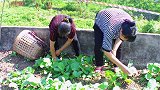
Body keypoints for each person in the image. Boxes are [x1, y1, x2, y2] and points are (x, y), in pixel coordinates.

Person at [93, 8, 137, 75]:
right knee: (99, 45)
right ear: (121, 31)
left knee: (118, 47)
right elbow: (106, 51)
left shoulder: (131, 27)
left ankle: (116, 66)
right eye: (124, 38)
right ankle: (99, 65)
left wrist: (114, 50)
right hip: (102, 18)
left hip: (115, 17)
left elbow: (120, 39)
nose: (124, 40)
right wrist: (123, 68)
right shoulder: (110, 29)